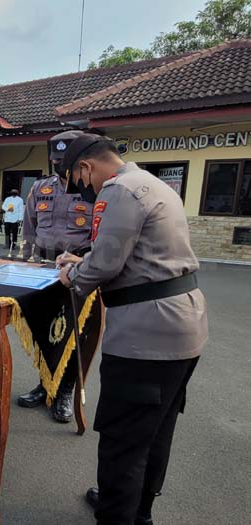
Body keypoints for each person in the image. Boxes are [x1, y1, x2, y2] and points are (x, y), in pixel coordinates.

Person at [56, 133, 207, 525]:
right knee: (155, 431)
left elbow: (105, 266)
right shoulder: (154, 183)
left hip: (146, 336)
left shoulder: (118, 190)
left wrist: (72, 274)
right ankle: (138, 510)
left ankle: (116, 513)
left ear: (86, 168)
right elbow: (136, 249)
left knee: (124, 440)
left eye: (80, 181)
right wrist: (87, 256)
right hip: (182, 327)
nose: (85, 190)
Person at [16, 130, 93, 423]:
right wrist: (24, 263)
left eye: (66, 160)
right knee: (43, 330)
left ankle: (64, 392)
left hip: (79, 271)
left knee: (74, 334)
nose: (61, 166)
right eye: (56, 160)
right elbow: (29, 227)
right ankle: (44, 384)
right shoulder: (41, 188)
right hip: (44, 270)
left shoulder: (93, 189)